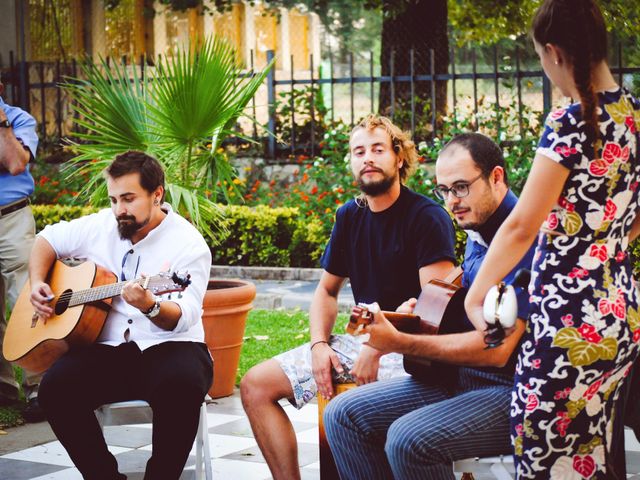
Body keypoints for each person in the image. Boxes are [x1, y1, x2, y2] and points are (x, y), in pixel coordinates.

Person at [463, 1, 640, 478]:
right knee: (592, 458)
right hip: (619, 316)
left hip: (566, 325)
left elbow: (521, 225)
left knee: (544, 457)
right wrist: (601, 235)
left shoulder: (569, 123)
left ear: (556, 53)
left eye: (541, 56)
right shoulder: (635, 116)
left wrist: (477, 293)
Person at [240, 114, 457, 479]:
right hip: (361, 344)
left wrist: (377, 347)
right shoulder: (350, 216)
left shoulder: (426, 216)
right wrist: (318, 345)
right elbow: (326, 290)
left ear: (399, 158)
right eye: (359, 151)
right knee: (255, 385)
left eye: (377, 149)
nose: (367, 158)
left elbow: (434, 307)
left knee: (350, 413)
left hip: (411, 353)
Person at [323, 132, 537, 479]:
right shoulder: (477, 229)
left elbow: (498, 350)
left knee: (409, 440)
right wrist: (411, 317)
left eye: (461, 187)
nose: (452, 201)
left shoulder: (520, 238)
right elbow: (464, 309)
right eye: (444, 190)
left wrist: (400, 342)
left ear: (496, 177)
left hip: (514, 390)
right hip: (461, 377)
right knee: (343, 414)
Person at [30, 151, 213, 479]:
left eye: (128, 199)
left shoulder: (189, 245)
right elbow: (46, 239)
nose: (119, 210)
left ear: (157, 195)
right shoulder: (102, 225)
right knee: (55, 388)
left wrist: (149, 305)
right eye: (114, 199)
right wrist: (38, 282)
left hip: (171, 345)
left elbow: (183, 315)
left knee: (182, 383)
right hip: (109, 349)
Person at [0, 81, 43, 421]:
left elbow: (15, 163)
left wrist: (1, 123)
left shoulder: (19, 120)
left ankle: (40, 388)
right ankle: (3, 390)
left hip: (11, 217)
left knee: (25, 301)